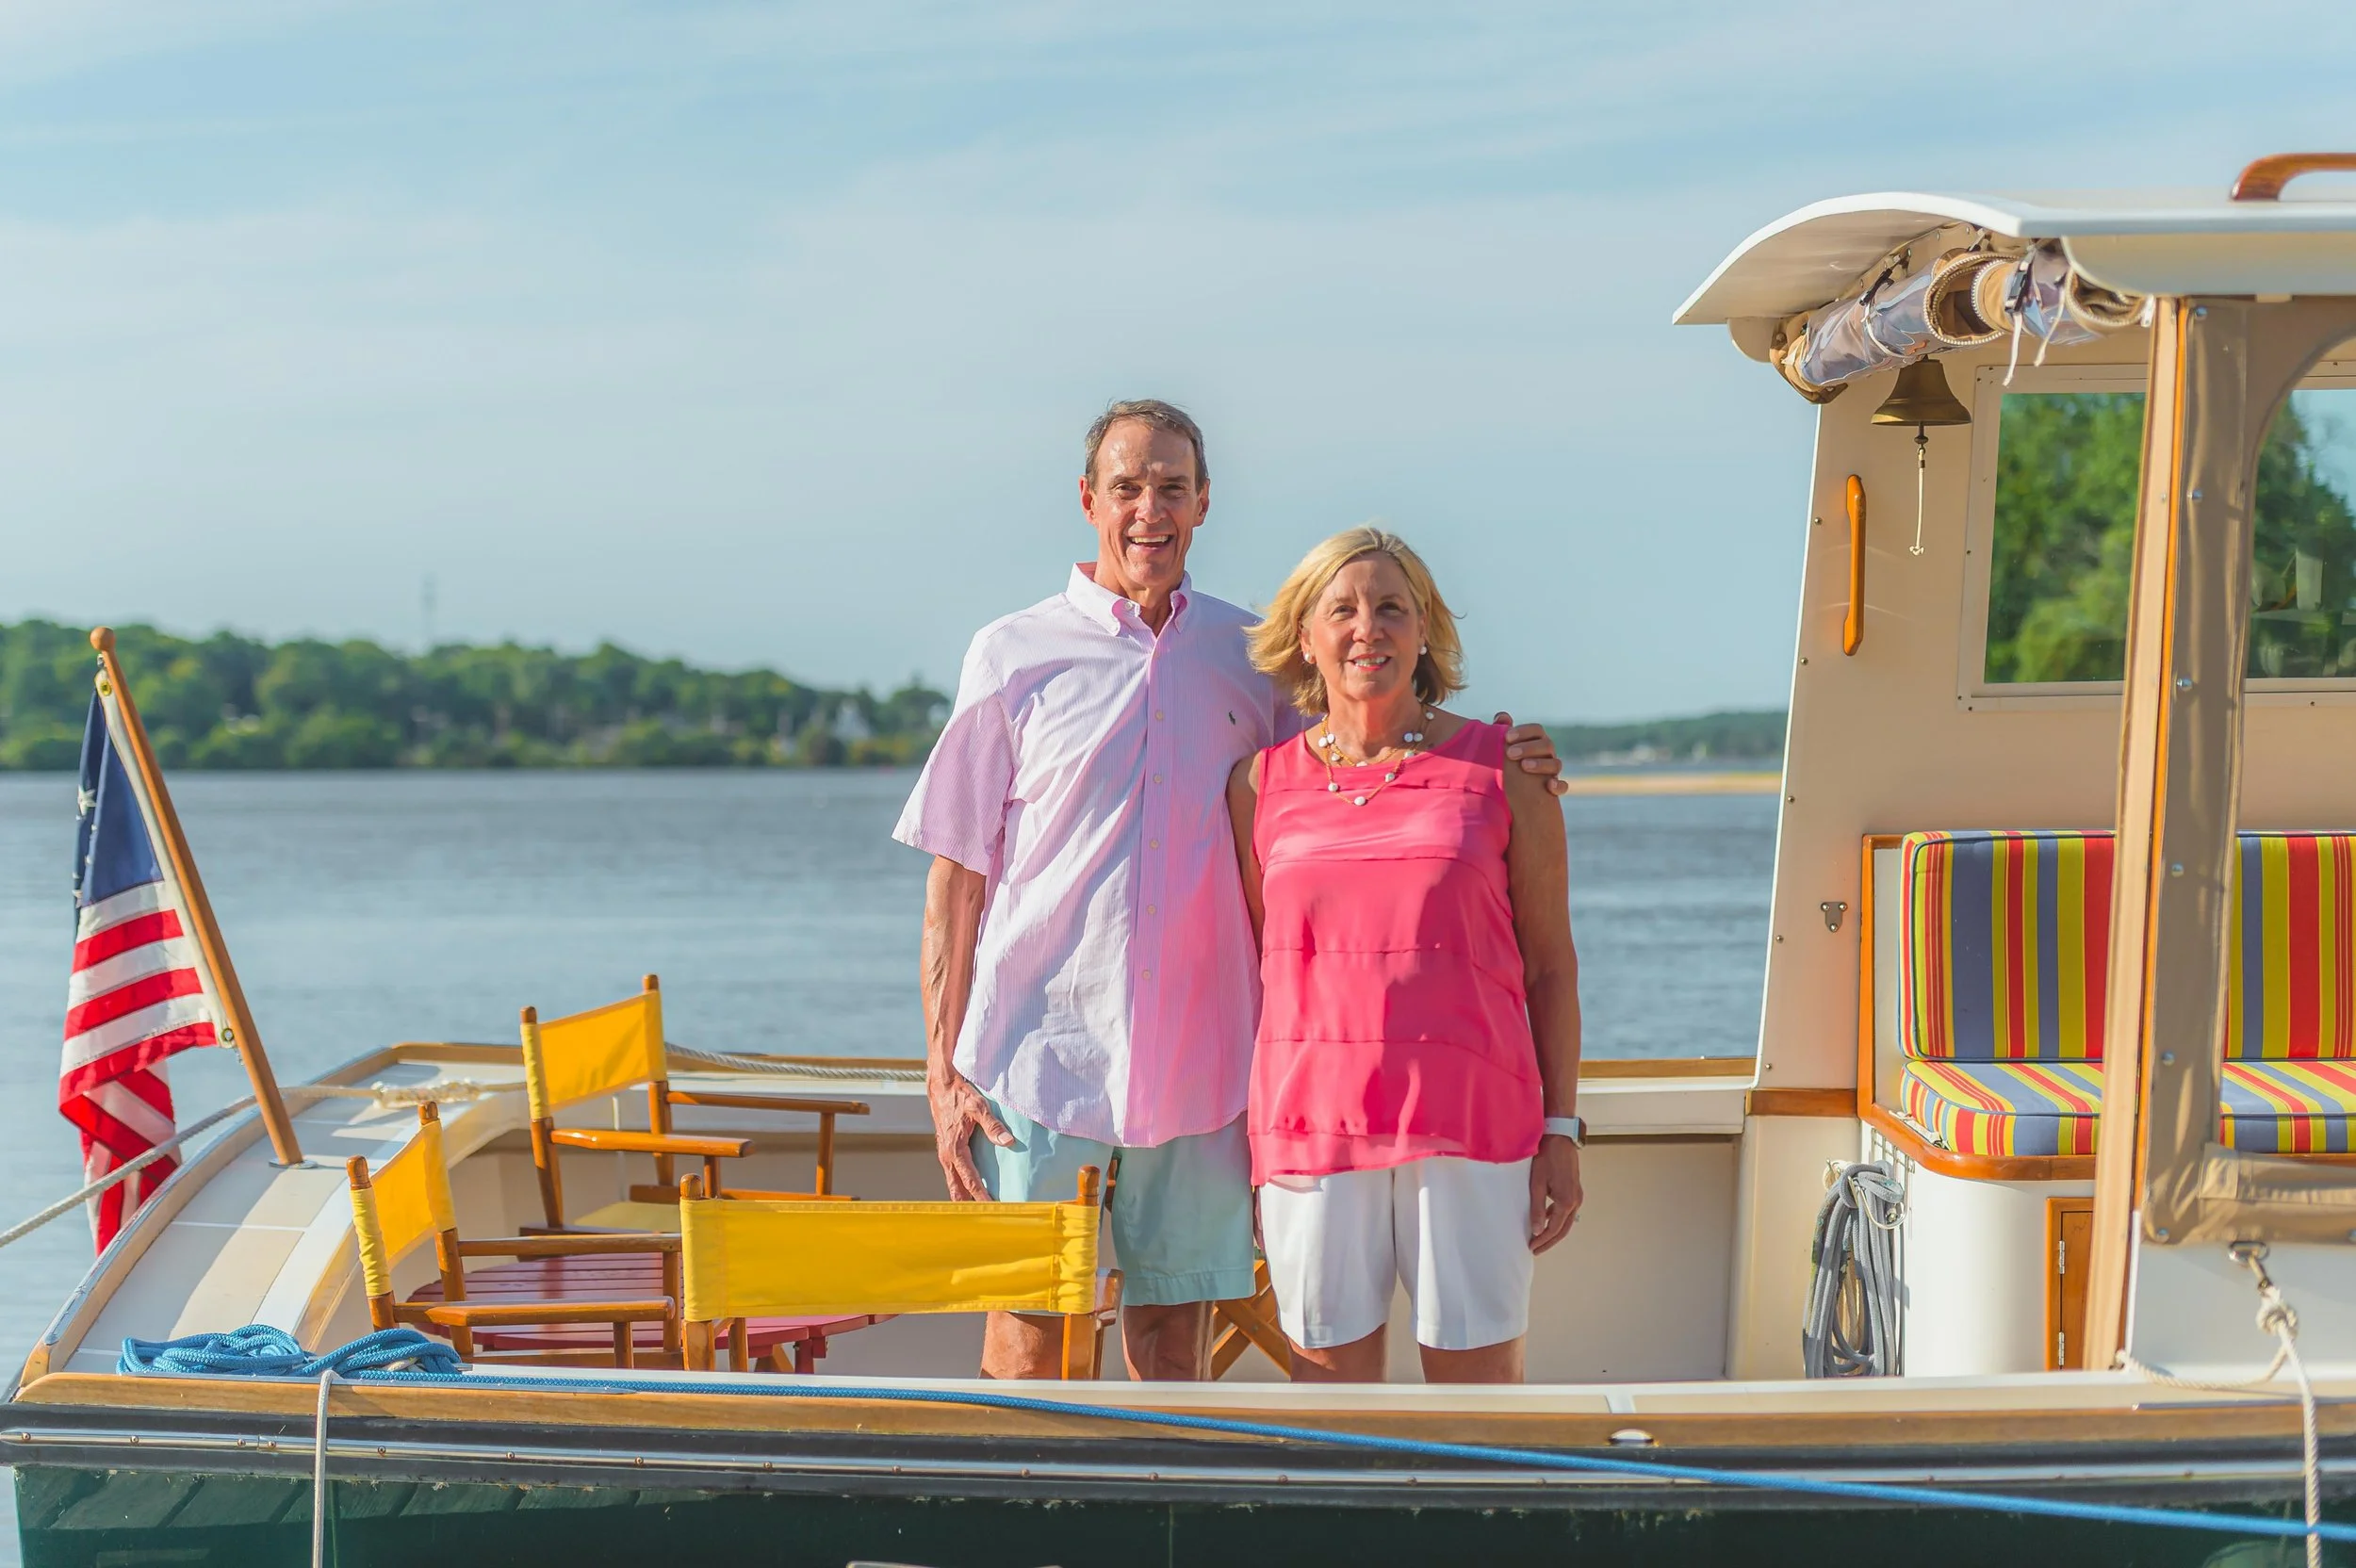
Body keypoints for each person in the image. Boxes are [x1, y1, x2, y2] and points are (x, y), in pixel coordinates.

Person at [895, 401, 1571, 1380]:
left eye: (1172, 487)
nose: (1148, 510)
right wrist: (942, 1071)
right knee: (1029, 1334)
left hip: (1199, 1073)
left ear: (1203, 503)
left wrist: (1513, 755)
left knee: (1173, 1338)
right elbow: (954, 878)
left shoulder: (1250, 657)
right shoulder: (1010, 654)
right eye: (1127, 487)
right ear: (1089, 500)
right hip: (1037, 1060)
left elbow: (1373, 732)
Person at [1227, 527, 1583, 1384]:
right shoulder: (1256, 786)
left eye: (1392, 608)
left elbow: (1549, 968)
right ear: (1305, 637)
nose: (1368, 629)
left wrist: (1562, 1131)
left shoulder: (1505, 769)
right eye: (1342, 609)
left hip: (1471, 1125)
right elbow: (1255, 967)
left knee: (1477, 1410)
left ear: (1424, 630)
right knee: (1331, 1416)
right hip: (1309, 1130)